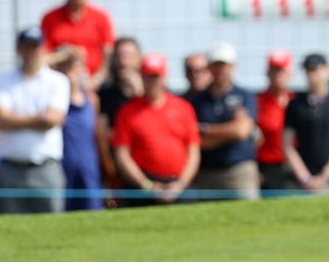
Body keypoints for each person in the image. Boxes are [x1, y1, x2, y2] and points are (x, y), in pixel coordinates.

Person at [0, 26, 70, 215]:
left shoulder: (58, 81)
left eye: (35, 46)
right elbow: (1, 119)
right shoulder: (3, 80)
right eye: (27, 46)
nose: (31, 52)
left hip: (46, 168)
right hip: (11, 168)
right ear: (19, 49)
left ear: (42, 48)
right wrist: (38, 118)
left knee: (51, 229)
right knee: (8, 229)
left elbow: (51, 120)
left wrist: (16, 119)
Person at [111, 52, 201, 207]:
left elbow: (193, 151)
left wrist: (181, 184)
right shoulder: (128, 111)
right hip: (142, 186)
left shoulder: (183, 108)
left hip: (178, 184)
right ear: (141, 77)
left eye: (156, 76)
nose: (152, 82)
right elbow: (122, 154)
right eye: (148, 76)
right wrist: (147, 185)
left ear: (164, 77)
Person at [188, 41, 260, 201]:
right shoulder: (198, 100)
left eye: (224, 65)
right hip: (207, 173)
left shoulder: (244, 96)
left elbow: (241, 132)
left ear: (233, 67)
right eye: (216, 65)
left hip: (239, 171)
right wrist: (228, 133)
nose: (220, 70)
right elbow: (196, 140)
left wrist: (205, 129)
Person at [283, 53, 329, 194]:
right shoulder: (295, 104)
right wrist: (305, 178)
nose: (312, 75)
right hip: (301, 183)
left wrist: (325, 177)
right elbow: (287, 144)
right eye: (308, 71)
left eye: (315, 69)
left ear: (326, 70)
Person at [41, 0, 116, 90]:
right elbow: (44, 55)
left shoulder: (100, 18)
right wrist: (66, 58)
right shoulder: (50, 19)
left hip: (94, 84)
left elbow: (108, 55)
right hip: (59, 83)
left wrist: (95, 81)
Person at [49, 46, 104, 211]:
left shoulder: (91, 100)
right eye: (64, 66)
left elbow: (97, 137)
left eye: (73, 66)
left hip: (88, 169)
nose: (70, 72)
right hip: (62, 169)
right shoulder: (52, 102)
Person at [96, 36, 143, 206]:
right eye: (120, 56)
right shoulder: (105, 95)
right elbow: (100, 136)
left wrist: (140, 93)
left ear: (139, 59)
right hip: (116, 169)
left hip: (146, 168)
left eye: (129, 56)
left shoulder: (153, 93)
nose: (124, 62)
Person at [255, 49, 295, 192]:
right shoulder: (257, 101)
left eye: (281, 70)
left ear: (290, 73)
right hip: (267, 166)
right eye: (274, 70)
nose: (278, 75)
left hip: (295, 166)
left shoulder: (296, 101)